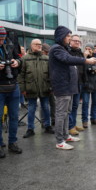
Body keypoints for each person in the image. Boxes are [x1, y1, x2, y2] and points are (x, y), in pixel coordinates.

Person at [49, 26, 96, 150]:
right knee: (61, 114)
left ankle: (65, 135)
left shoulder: (64, 48)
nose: (69, 38)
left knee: (67, 112)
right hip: (62, 86)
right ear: (61, 36)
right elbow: (68, 59)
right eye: (68, 36)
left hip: (69, 86)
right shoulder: (56, 49)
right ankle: (60, 141)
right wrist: (86, 61)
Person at [19, 39, 54, 138]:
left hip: (45, 87)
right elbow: (21, 75)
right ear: (31, 45)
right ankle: (30, 129)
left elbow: (51, 74)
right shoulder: (25, 58)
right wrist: (23, 89)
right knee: (31, 108)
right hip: (31, 88)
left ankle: (47, 126)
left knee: (46, 108)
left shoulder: (46, 58)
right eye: (37, 44)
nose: (39, 46)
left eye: (40, 44)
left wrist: (51, 87)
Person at [0, 26, 22, 158]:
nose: (1, 40)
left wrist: (17, 62)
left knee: (14, 117)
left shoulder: (10, 44)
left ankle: (12, 142)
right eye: (0, 38)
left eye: (3, 38)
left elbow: (20, 59)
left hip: (13, 85)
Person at [81, 43, 96, 128]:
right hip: (86, 84)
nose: (88, 50)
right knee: (85, 103)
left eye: (89, 49)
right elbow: (80, 69)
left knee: (95, 103)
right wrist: (84, 57)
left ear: (92, 50)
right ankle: (85, 120)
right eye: (86, 49)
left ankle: (93, 118)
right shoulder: (82, 58)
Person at [68, 35, 85, 135]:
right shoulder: (68, 52)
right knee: (70, 107)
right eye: (75, 41)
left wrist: (84, 81)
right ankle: (70, 126)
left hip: (80, 83)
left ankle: (73, 124)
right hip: (71, 83)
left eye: (79, 41)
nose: (77, 42)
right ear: (70, 41)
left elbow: (83, 67)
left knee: (75, 106)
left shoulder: (80, 53)